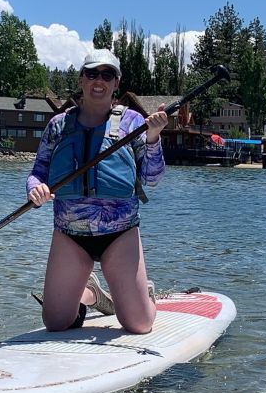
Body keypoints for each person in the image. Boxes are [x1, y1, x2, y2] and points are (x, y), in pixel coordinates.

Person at [26, 49, 168, 334]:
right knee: (55, 323)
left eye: (107, 74)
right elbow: (37, 173)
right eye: (92, 73)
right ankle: (89, 292)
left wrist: (153, 138)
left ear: (116, 83)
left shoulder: (131, 123)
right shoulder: (58, 125)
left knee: (139, 325)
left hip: (120, 234)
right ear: (81, 80)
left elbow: (152, 179)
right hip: (70, 234)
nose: (98, 80)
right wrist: (35, 189)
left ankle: (144, 295)